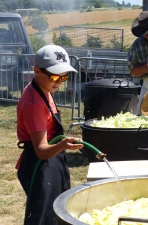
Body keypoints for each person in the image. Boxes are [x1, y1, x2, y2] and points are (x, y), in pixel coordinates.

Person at [15, 44, 84, 225]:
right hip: (39, 164)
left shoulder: (44, 89)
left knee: (58, 210)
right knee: (44, 218)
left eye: (64, 76)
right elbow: (41, 150)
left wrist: (61, 145)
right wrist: (62, 145)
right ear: (37, 71)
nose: (59, 81)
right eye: (54, 76)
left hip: (51, 160)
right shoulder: (34, 103)